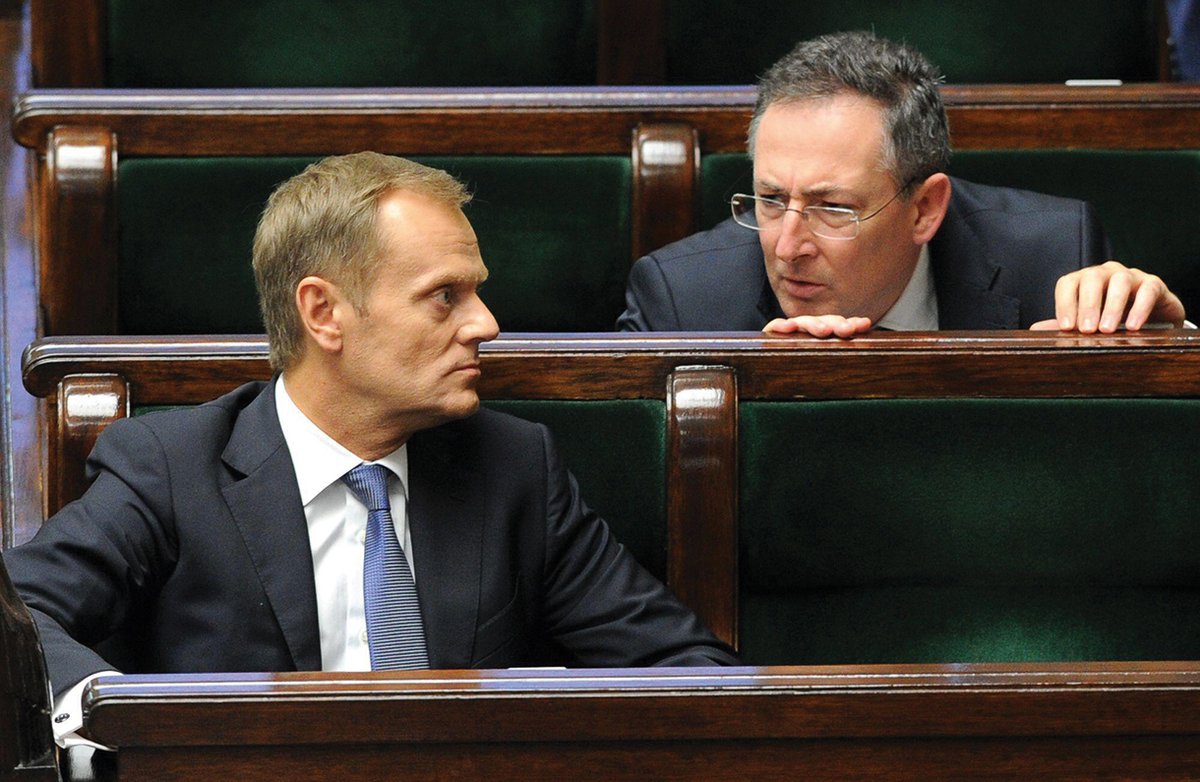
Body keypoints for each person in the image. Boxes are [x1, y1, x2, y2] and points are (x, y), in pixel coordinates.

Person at [4, 152, 738, 743]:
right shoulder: (172, 467)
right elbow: (21, 612)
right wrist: (130, 730)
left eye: (476, 291)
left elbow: (686, 670)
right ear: (324, 312)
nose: (485, 323)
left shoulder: (513, 468)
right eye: (445, 295)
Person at [617, 31, 1185, 338]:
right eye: (770, 200)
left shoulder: (1057, 255)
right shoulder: (680, 300)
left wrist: (1168, 339)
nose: (787, 246)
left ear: (926, 209)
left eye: (831, 207)